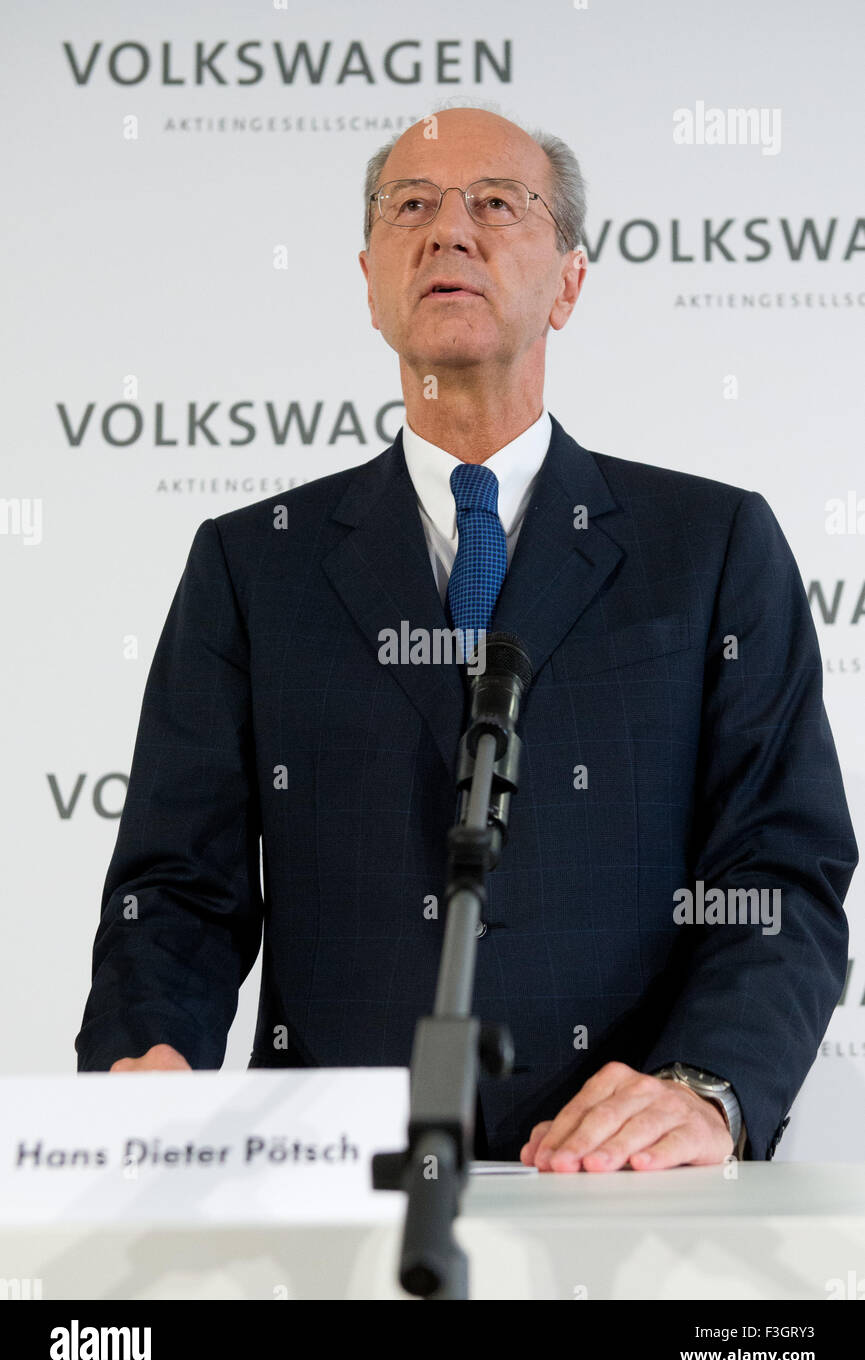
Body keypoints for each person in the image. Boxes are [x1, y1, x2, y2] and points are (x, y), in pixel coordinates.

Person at [76, 105, 858, 1171]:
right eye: (411, 206)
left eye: (497, 203)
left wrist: (706, 1087)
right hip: (335, 1186)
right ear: (368, 281)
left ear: (570, 281)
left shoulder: (711, 546)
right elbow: (175, 889)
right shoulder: (252, 562)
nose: (450, 230)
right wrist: (148, 1058)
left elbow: (779, 871)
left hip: (620, 1184)